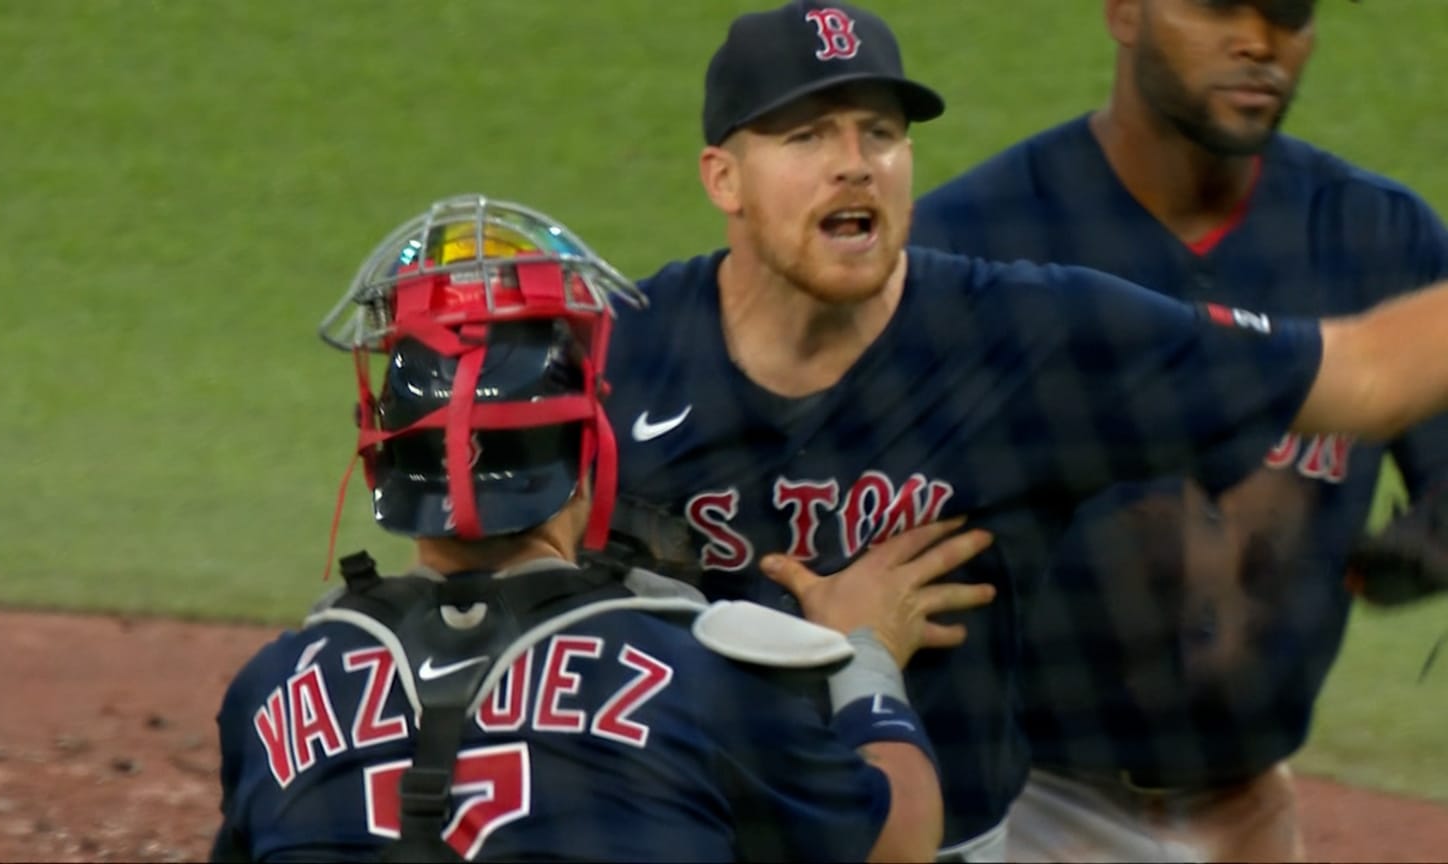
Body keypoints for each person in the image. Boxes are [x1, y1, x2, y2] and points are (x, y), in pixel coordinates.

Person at [600, 1, 1448, 859]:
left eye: (880, 134)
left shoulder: (1022, 334)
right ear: (724, 179)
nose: (854, 163)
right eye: (807, 136)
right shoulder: (621, 356)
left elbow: (1365, 374)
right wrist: (844, 644)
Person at [210, 194, 997, 863]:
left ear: (383, 460)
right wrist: (865, 654)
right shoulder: (702, 677)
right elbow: (901, 838)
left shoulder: (270, 691)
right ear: (587, 454)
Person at [908, 0, 1448, 860]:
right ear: (1125, 12)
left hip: (1252, 811)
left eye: (1288, 12)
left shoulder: (1380, 238)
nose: (1258, 42)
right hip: (1025, 805)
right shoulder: (973, 243)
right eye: (1216, 5)